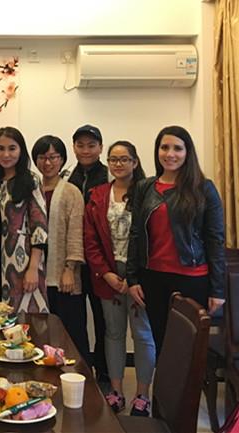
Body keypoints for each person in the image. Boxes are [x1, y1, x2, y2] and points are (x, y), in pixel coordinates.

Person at [127, 126, 225, 356]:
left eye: (177, 148)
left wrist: (218, 290)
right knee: (163, 346)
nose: (170, 154)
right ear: (157, 151)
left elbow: (215, 239)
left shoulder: (204, 188)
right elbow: (136, 234)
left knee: (189, 349)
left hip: (192, 278)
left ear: (187, 152)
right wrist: (132, 278)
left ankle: (188, 384)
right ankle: (164, 383)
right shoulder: (144, 187)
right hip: (153, 278)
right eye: (164, 147)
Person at [85, 141, 156, 416]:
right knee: (113, 334)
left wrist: (135, 276)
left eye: (124, 159)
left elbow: (154, 236)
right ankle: (116, 391)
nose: (118, 164)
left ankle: (142, 394)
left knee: (142, 335)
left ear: (135, 162)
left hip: (140, 276)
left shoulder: (148, 192)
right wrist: (107, 274)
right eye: (113, 159)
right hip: (109, 275)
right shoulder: (98, 194)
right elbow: (90, 239)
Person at [31, 135, 89, 365]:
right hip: (37, 276)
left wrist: (70, 268)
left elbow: (76, 232)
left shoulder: (71, 191)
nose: (48, 162)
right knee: (40, 334)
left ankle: (79, 378)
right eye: (42, 157)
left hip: (63, 275)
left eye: (53, 157)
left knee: (71, 333)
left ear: (62, 159)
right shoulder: (31, 189)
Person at [63, 124, 110, 384]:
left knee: (104, 321)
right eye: (80, 145)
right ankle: (79, 371)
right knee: (75, 319)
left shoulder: (109, 176)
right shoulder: (67, 177)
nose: (86, 150)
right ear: (74, 148)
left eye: (91, 145)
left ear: (100, 147)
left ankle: (104, 373)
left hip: (101, 261)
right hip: (74, 260)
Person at [0, 127, 48, 312]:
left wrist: (33, 268)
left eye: (12, 148)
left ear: (21, 151)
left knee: (25, 319)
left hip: (23, 262)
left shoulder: (32, 180)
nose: (6, 154)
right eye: (0, 148)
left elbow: (40, 228)